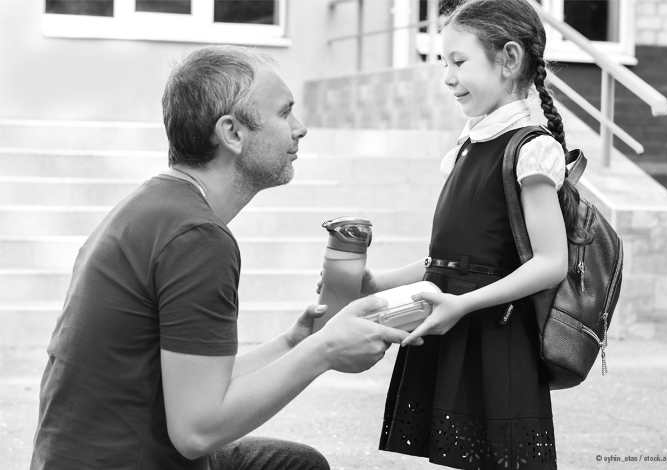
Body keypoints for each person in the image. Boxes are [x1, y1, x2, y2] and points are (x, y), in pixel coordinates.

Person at [30, 45, 413, 470]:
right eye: (285, 113)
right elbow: (197, 431)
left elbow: (198, 384)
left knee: (296, 463)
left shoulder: (156, 206)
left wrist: (295, 343)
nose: (300, 128)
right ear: (232, 133)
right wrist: (324, 351)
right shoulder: (197, 237)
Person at [363, 1, 591, 468]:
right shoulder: (468, 146)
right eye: (444, 61)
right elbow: (447, 259)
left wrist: (462, 304)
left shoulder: (531, 149)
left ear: (508, 59)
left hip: (496, 337)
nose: (447, 76)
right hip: (461, 328)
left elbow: (552, 263)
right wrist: (375, 283)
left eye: (459, 62)